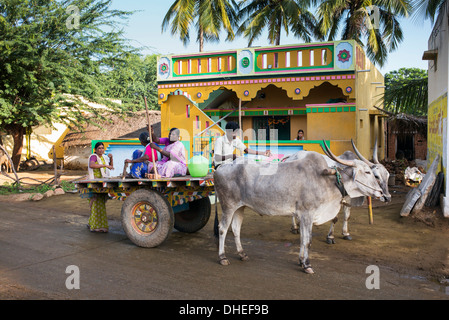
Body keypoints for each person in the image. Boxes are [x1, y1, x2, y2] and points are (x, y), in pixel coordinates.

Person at [87, 142, 114, 233]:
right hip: (95, 183)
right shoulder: (94, 156)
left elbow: (110, 166)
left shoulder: (104, 157)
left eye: (102, 148)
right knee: (96, 202)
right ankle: (95, 226)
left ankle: (94, 223)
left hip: (102, 182)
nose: (101, 150)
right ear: (95, 149)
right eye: (99, 148)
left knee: (101, 203)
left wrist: (111, 158)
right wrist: (104, 165)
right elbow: (92, 165)